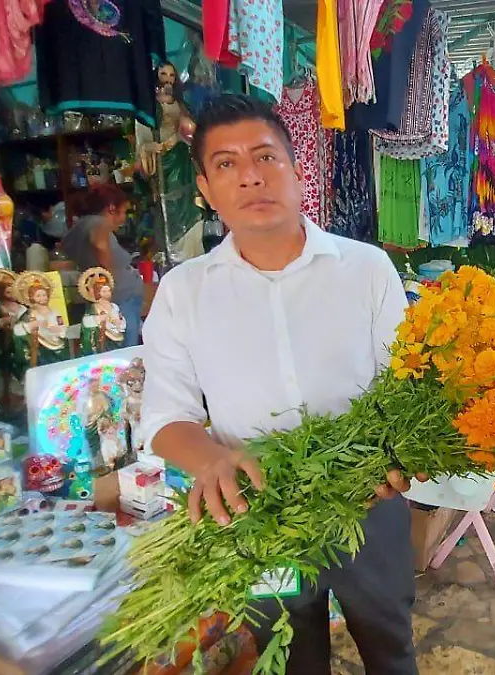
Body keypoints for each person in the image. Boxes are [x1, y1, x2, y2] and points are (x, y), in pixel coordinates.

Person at [139, 95, 418, 673]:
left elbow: (407, 387)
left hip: (368, 503)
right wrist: (213, 461)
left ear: (297, 170)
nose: (250, 176)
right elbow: (166, 418)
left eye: (265, 156)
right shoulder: (183, 292)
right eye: (226, 164)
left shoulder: (367, 269)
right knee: (287, 658)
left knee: (390, 650)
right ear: (205, 189)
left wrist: (401, 454)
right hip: (259, 516)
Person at [61, 183, 145, 347]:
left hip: (116, 297)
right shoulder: (100, 223)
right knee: (126, 346)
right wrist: (109, 277)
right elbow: (100, 245)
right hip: (120, 298)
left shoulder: (81, 225)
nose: (124, 218)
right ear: (111, 208)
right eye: (123, 211)